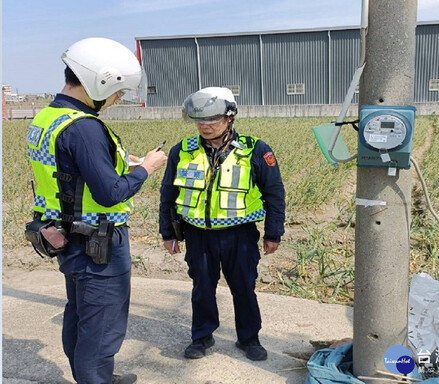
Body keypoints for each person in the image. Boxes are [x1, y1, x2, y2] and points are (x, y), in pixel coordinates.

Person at [25, 37, 167, 384]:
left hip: (67, 234)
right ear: (101, 82)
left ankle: (94, 375)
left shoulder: (49, 116)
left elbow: (68, 171)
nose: (118, 100)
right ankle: (96, 378)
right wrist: (146, 167)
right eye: (118, 92)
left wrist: (120, 162)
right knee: (102, 326)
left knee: (79, 313)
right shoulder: (85, 127)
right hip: (98, 244)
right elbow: (109, 193)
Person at [159, 87, 285, 361]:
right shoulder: (181, 151)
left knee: (243, 287)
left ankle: (249, 338)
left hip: (239, 236)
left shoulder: (256, 150)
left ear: (230, 118)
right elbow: (168, 193)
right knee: (202, 287)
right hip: (198, 235)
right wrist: (168, 232)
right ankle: (202, 337)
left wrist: (273, 233)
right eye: (199, 120)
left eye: (212, 119)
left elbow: (274, 194)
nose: (204, 126)